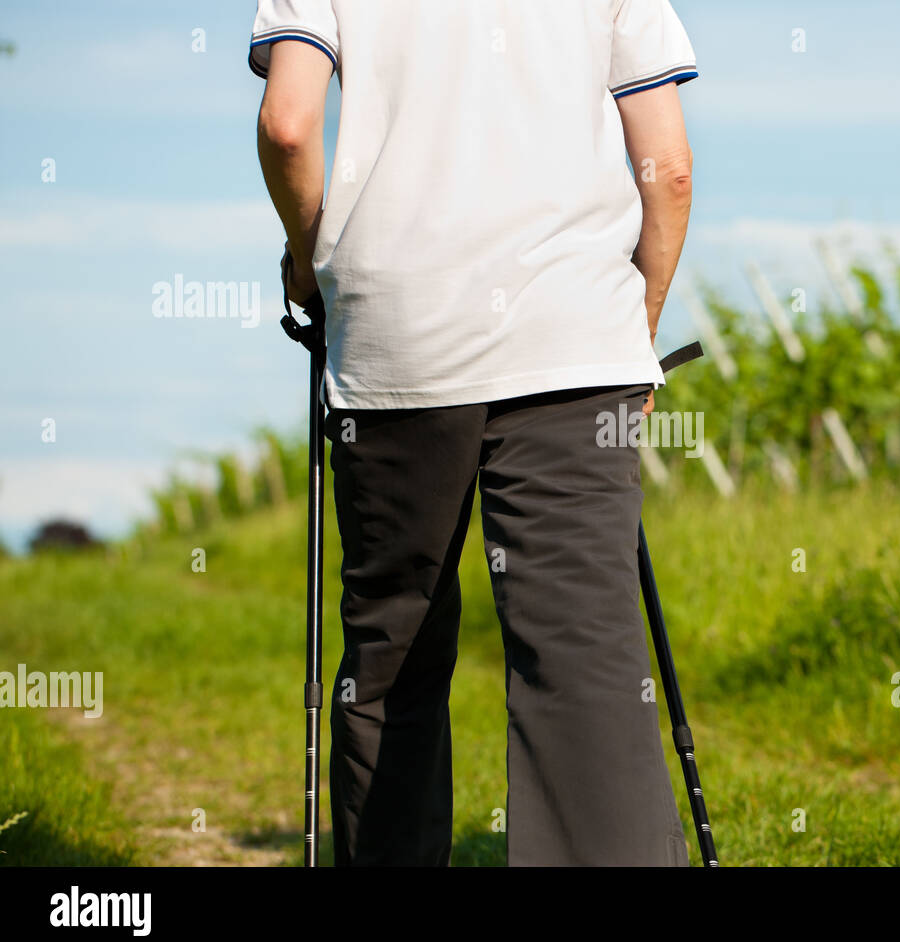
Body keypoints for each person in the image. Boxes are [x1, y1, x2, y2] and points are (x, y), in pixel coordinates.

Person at [250, 0, 699, 866]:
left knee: (391, 659)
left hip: (399, 339)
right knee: (585, 665)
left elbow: (289, 123)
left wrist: (311, 264)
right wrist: (636, 322)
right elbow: (669, 167)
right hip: (575, 342)